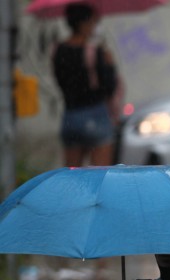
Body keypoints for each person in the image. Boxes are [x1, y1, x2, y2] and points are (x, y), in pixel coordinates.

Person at [52, 2, 119, 167]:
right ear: (84, 23)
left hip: (70, 117)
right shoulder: (94, 51)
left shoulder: (57, 49)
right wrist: (109, 65)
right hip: (95, 115)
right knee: (101, 177)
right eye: (94, 22)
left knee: (72, 178)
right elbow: (109, 87)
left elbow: (61, 82)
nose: (95, 27)